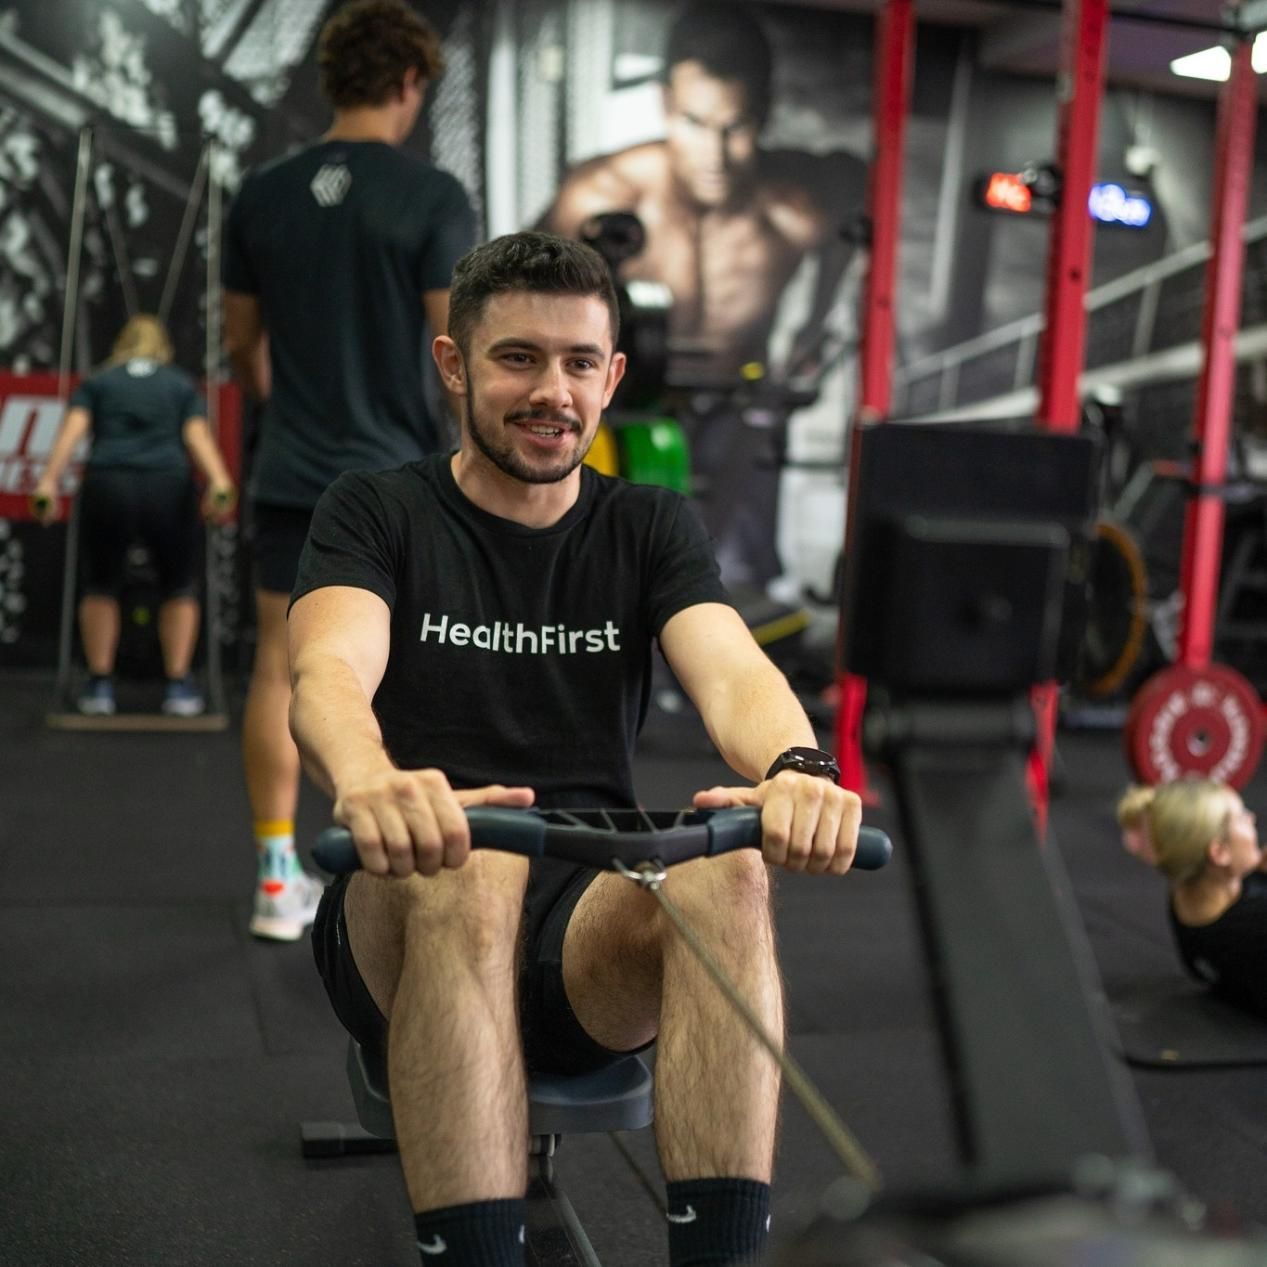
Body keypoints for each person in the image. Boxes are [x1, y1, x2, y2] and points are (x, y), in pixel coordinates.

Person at [288, 232, 863, 1266]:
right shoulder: (376, 511)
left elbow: (732, 671)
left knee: (725, 872)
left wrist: (799, 766)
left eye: (579, 362)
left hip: (581, 921)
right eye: (518, 358)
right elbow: (325, 671)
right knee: (474, 863)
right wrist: (369, 775)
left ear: (612, 377)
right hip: (411, 892)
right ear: (454, 363)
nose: (552, 390)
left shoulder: (645, 524)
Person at [222, 0, 477, 942]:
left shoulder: (263, 192)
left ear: (334, 81)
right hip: (396, 483)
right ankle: (389, 867)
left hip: (293, 471)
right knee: (399, 675)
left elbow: (244, 352)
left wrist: (299, 406)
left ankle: (275, 876)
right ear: (409, 84)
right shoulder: (431, 195)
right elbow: (458, 354)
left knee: (276, 673)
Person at [538, 2, 866, 587]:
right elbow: (527, 301)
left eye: (734, 128)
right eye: (693, 122)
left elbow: (856, 242)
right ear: (665, 103)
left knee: (733, 580)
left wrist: (815, 326)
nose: (714, 155)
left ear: (763, 114)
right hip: (622, 405)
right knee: (600, 572)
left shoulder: (797, 208)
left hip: (739, 408)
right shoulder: (601, 192)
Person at [31, 313, 235, 717]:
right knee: (178, 584)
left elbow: (72, 430)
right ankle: (177, 687)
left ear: (121, 344)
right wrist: (220, 481)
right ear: (162, 347)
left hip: (110, 484)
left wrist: (48, 482)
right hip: (167, 488)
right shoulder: (178, 383)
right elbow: (196, 436)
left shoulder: (100, 381)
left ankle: (100, 686)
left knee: (101, 583)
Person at [1117, 779, 1267, 1020]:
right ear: (1219, 853)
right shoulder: (1255, 929)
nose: (1252, 819)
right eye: (1241, 817)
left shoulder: (1184, 887)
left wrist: (1257, 869)